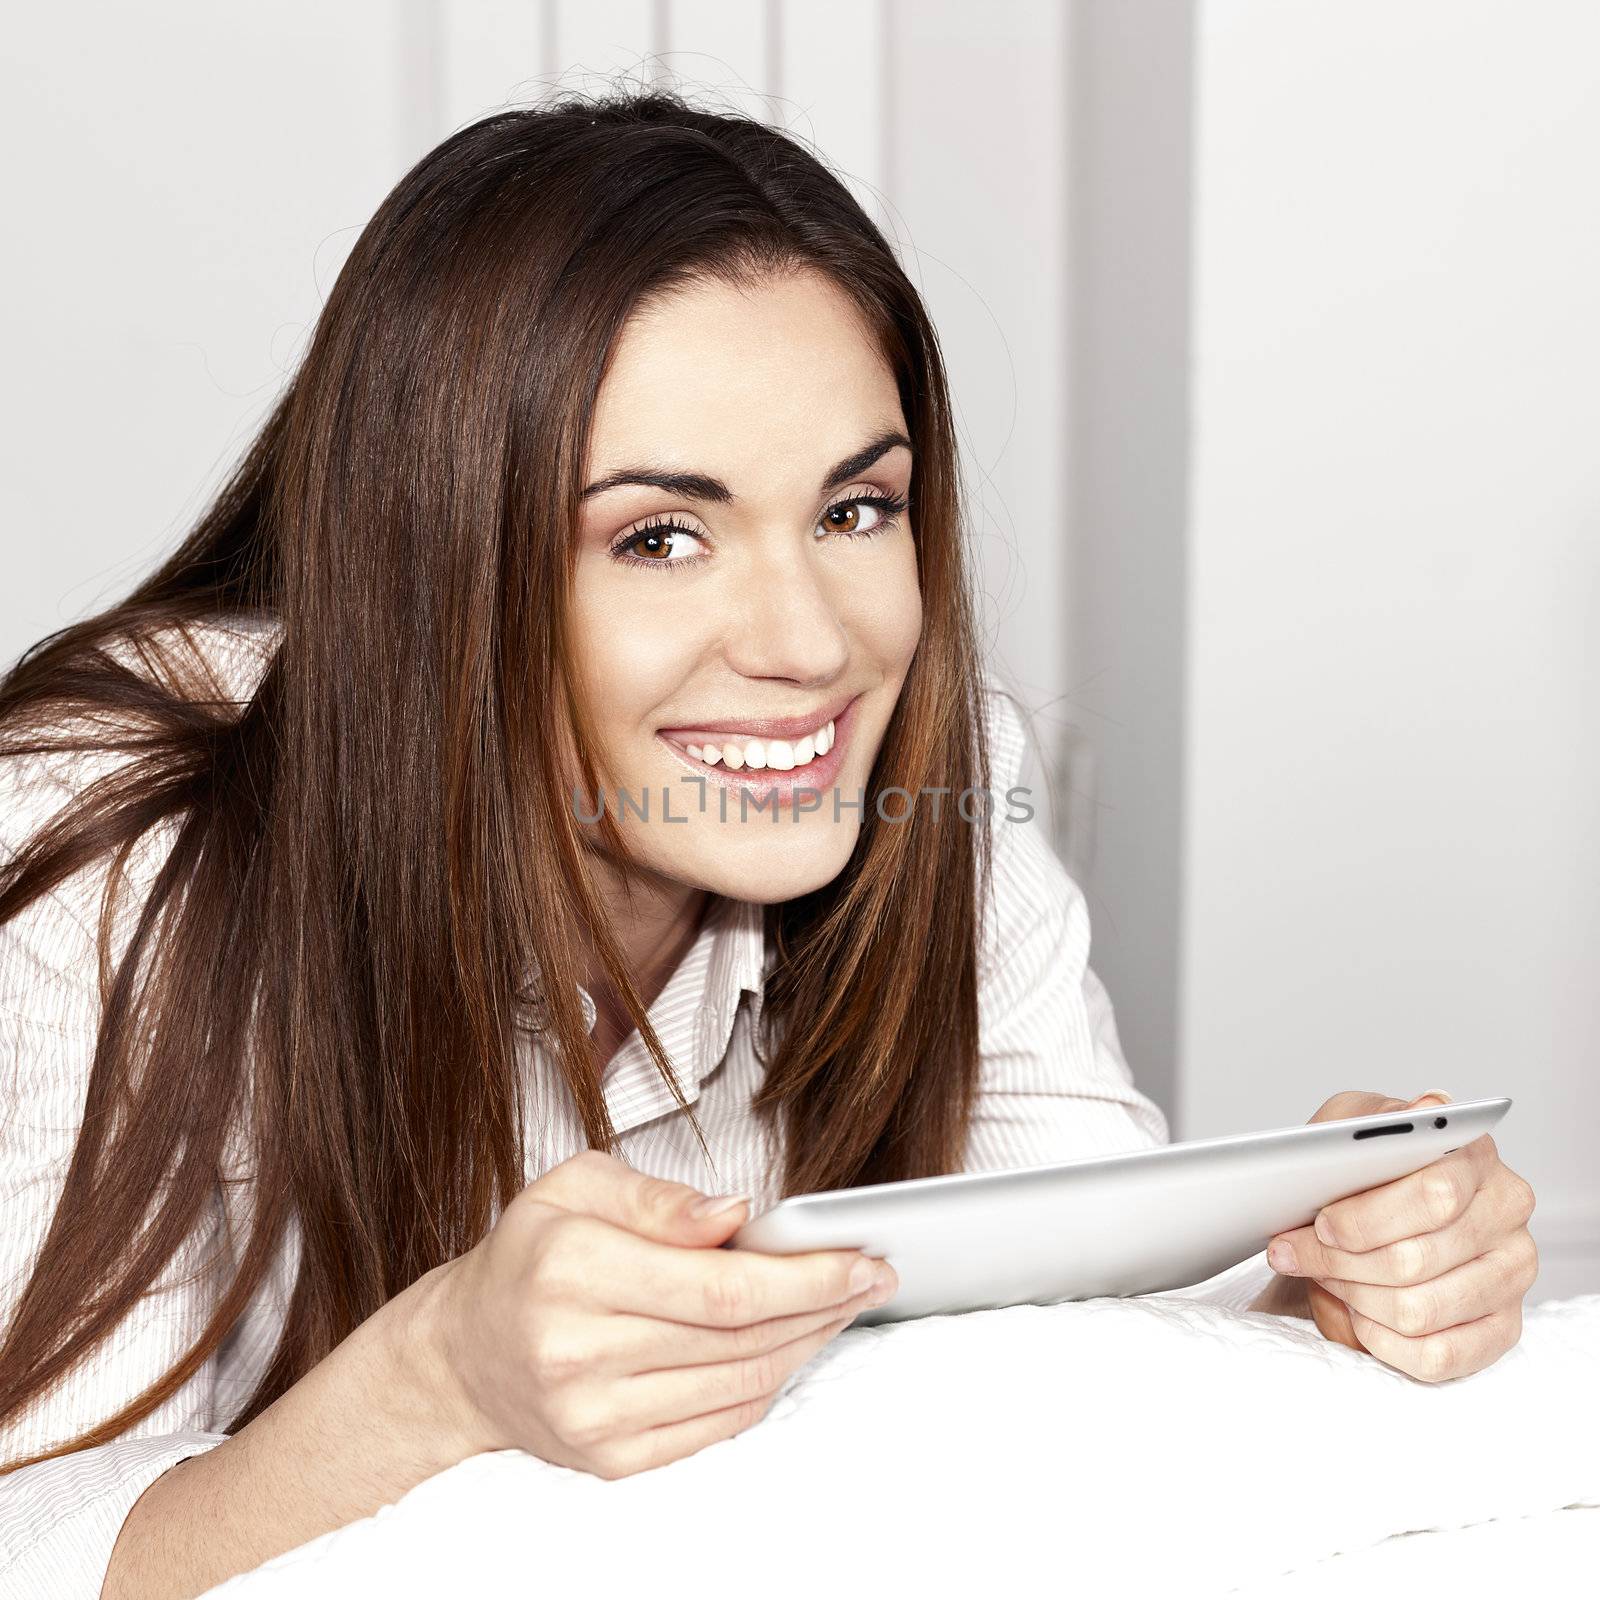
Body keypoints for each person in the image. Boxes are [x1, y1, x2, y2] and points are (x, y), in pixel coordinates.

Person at [0, 87, 1538, 1600]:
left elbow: (1080, 1316)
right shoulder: (110, 832)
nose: (810, 645)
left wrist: (1334, 1280)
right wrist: (441, 1376)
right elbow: (36, 1542)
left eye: (856, 512)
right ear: (432, 572)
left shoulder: (932, 771)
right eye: (660, 537)